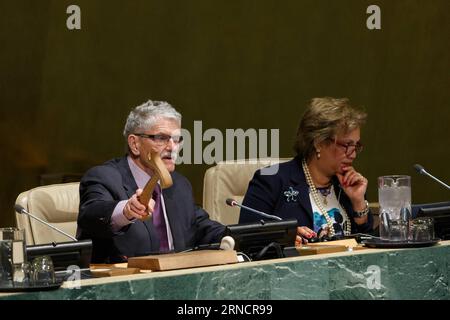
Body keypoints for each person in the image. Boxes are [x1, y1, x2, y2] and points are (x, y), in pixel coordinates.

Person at [77, 100, 225, 263]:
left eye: (176, 140)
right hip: (126, 284)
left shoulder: (180, 184)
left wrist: (233, 237)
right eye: (161, 138)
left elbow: (200, 226)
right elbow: (91, 215)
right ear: (135, 144)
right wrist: (127, 210)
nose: (172, 147)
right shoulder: (104, 177)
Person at [239, 97, 373, 245]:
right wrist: (284, 237)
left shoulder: (349, 185)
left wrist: (358, 203)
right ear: (319, 143)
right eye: (347, 145)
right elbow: (245, 240)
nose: (353, 154)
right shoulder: (271, 181)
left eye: (356, 146)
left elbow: (367, 246)